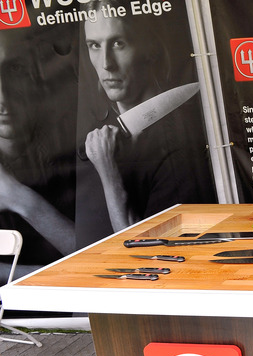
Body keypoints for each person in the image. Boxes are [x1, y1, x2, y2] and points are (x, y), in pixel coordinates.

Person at [80, 0, 215, 234]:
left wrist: (109, 174)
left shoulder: (180, 148)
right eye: (94, 45)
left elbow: (147, 251)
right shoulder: (102, 137)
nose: (106, 64)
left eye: (119, 43)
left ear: (151, 48)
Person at [0, 28, 78, 279]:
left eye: (13, 70)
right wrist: (44, 277)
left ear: (36, 75)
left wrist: (23, 200)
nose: (2, 97)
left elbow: (97, 257)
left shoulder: (76, 148)